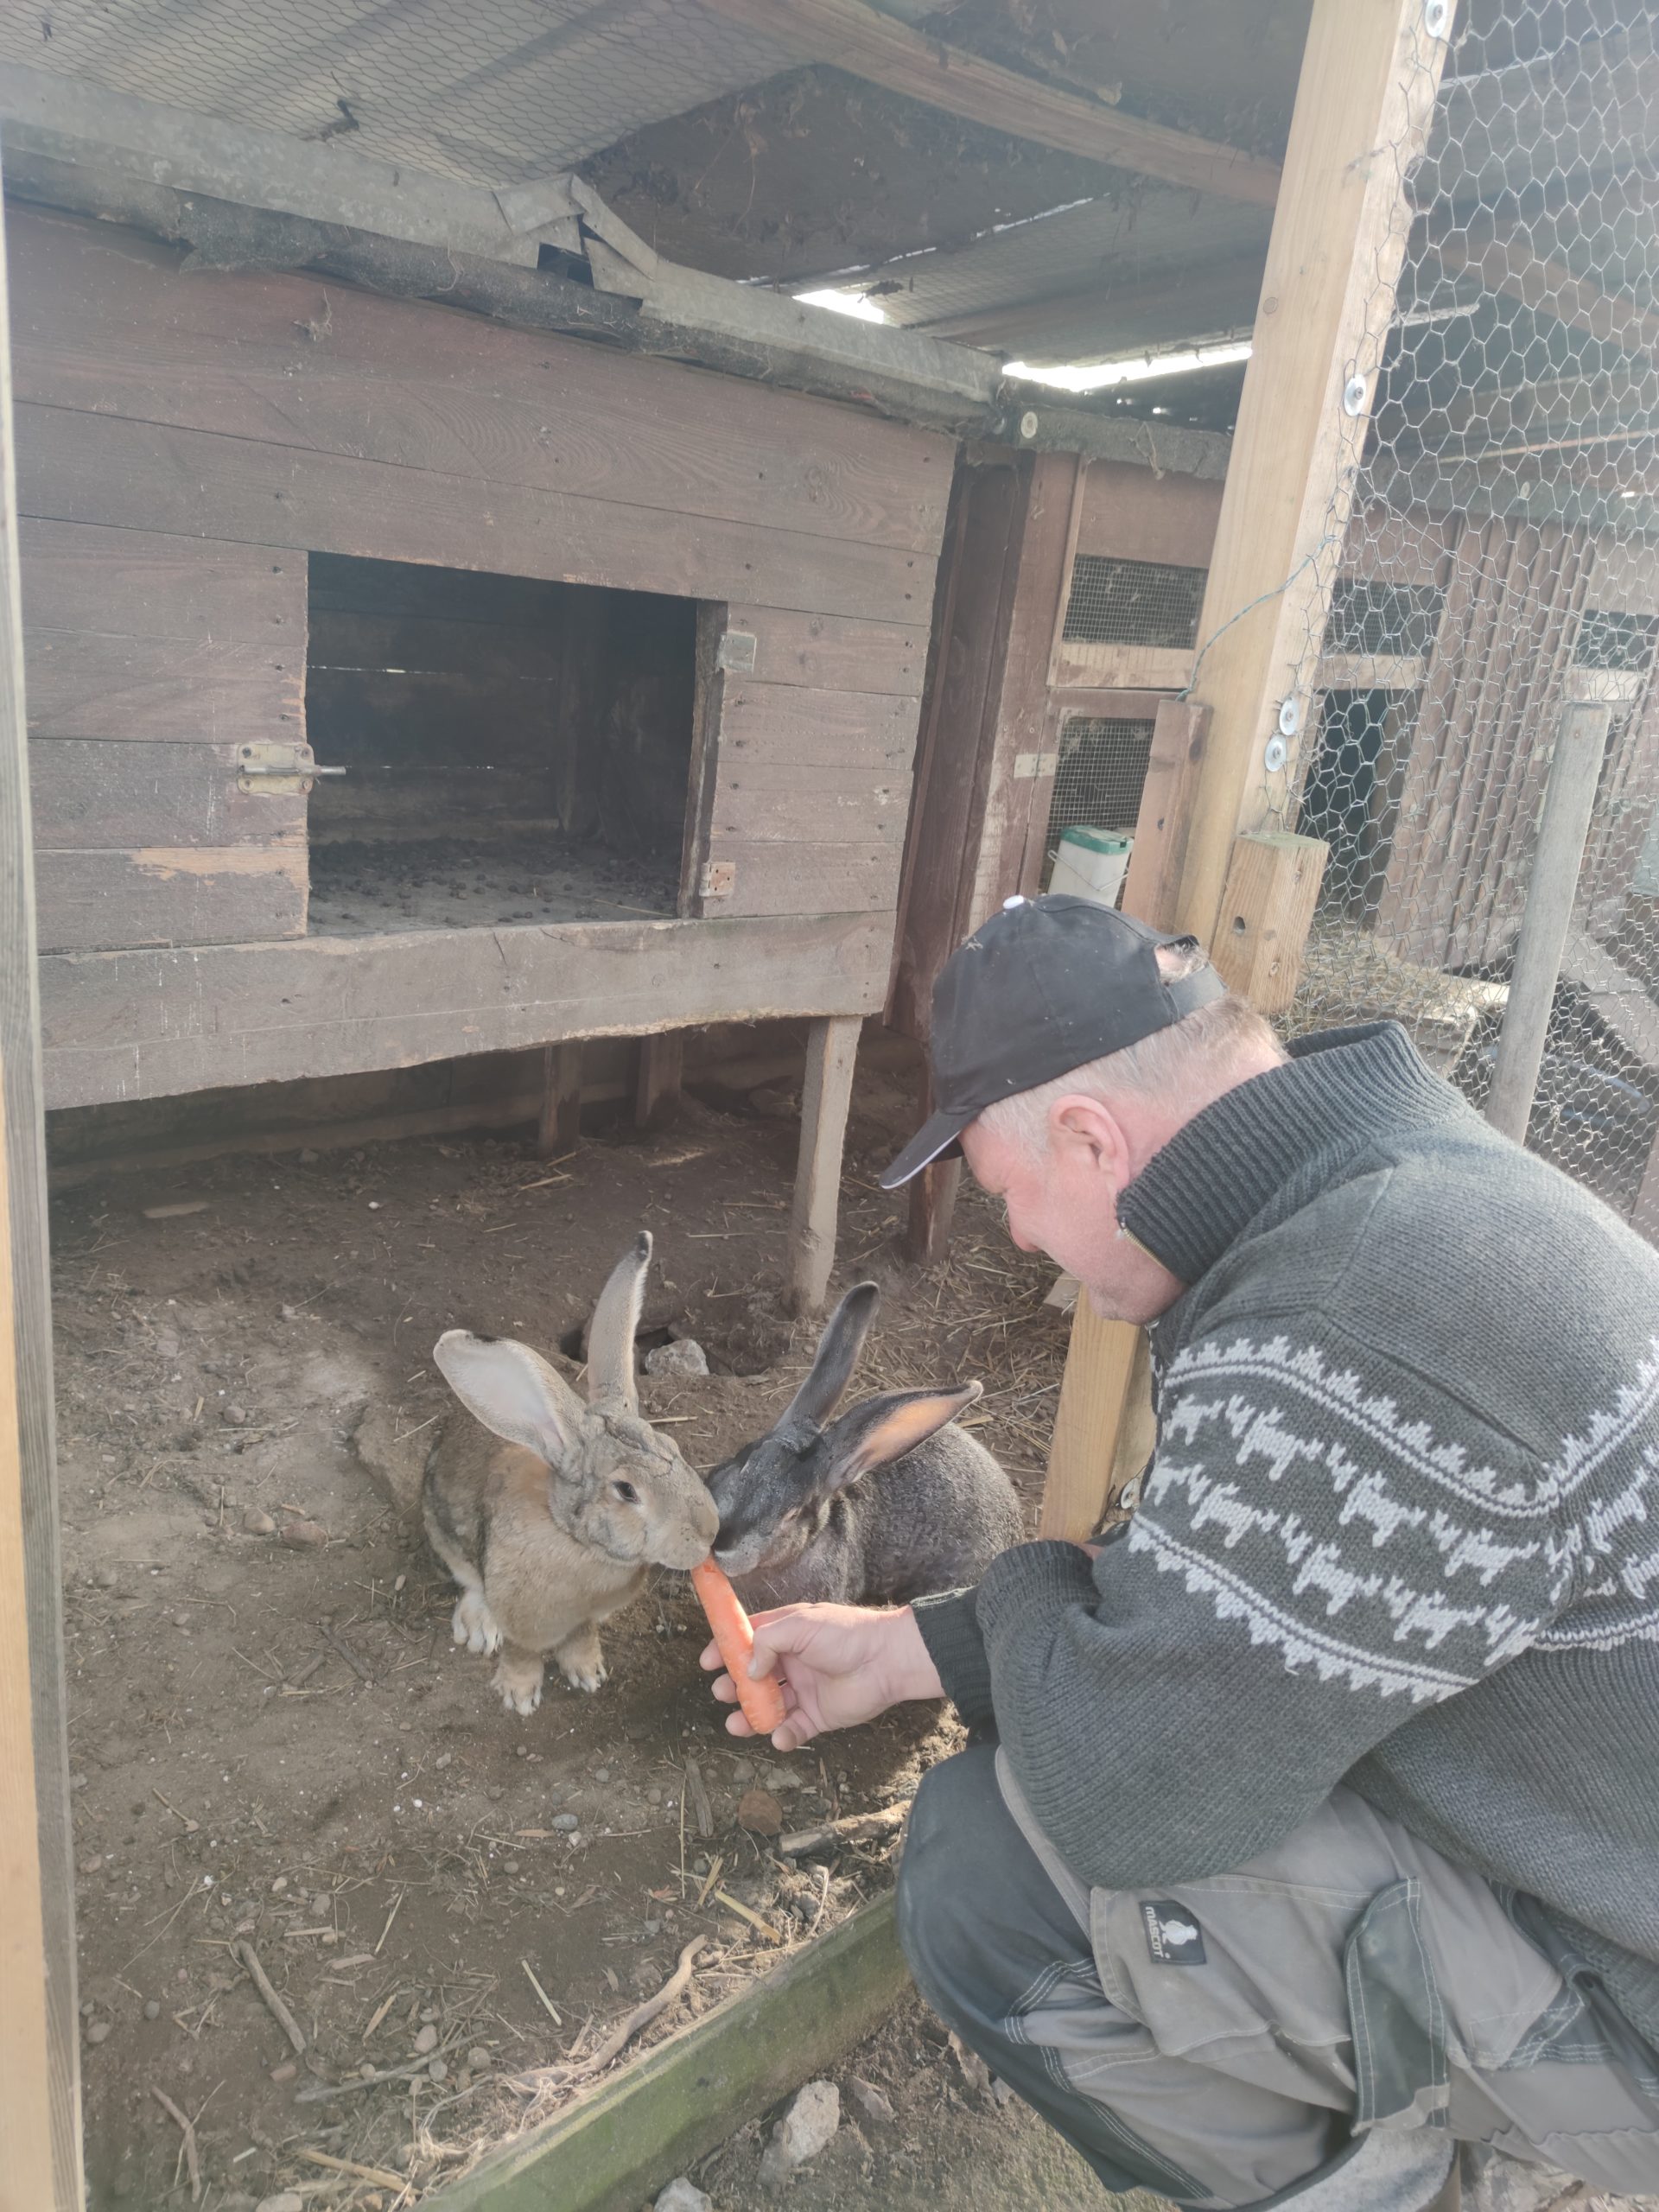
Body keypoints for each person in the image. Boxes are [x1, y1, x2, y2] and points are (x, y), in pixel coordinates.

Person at [701, 894, 1659, 2212]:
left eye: (1007, 1195)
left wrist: (1023, 1588)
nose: (1017, 1237)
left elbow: (1125, 1792)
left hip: (1625, 1993)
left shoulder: (1345, 1322)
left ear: (1090, 1139)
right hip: (1599, 1848)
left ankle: (1392, 2190)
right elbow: (1214, 1583)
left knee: (992, 1864)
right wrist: (916, 1649)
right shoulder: (1399, 1182)